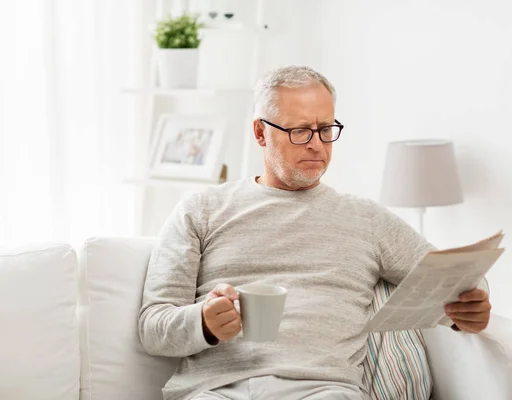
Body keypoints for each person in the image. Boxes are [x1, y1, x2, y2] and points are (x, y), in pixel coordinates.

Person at [138, 65, 492, 400]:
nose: (316, 145)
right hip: (218, 390)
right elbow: (153, 326)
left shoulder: (365, 218)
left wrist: (470, 306)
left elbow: (455, 278)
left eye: (325, 130)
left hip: (325, 391)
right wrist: (203, 321)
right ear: (261, 132)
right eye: (300, 131)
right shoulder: (200, 210)